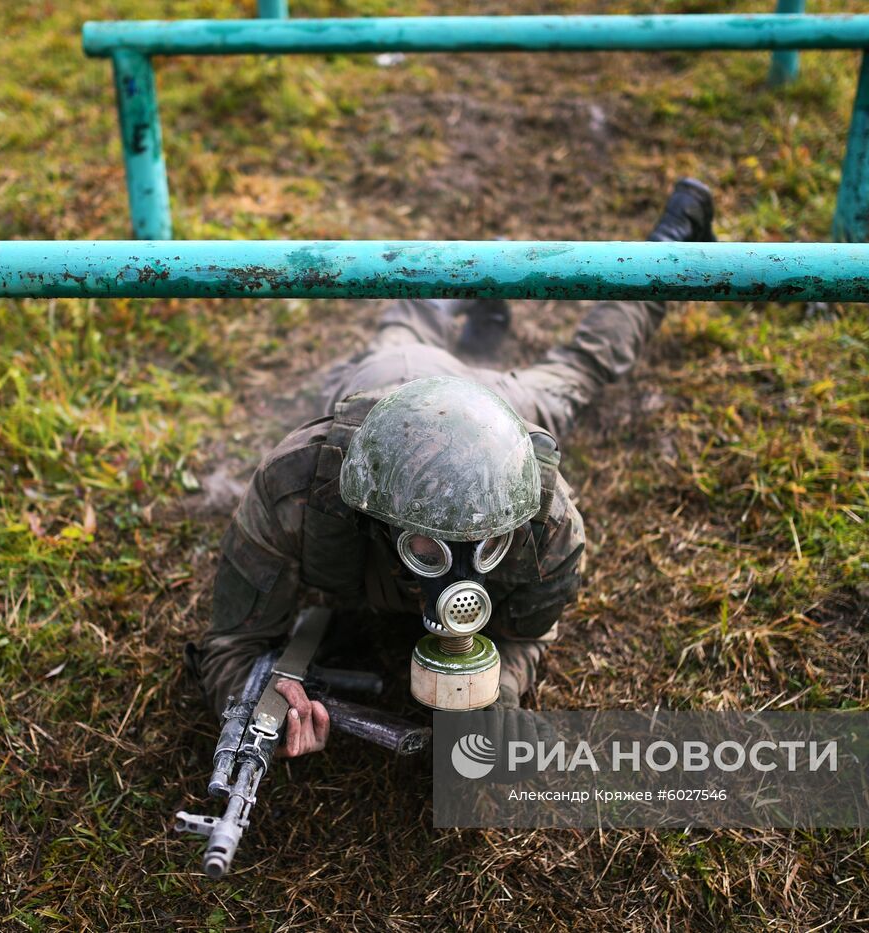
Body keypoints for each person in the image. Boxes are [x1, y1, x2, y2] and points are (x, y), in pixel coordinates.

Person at [194, 179, 716, 758]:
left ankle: (669, 238)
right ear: (373, 515)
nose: (457, 575)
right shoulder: (300, 485)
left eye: (486, 541)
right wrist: (257, 702)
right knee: (408, 325)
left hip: (492, 402)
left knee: (581, 371)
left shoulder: (545, 519)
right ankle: (472, 280)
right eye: (426, 546)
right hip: (391, 379)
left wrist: (500, 697)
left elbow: (528, 636)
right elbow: (232, 644)